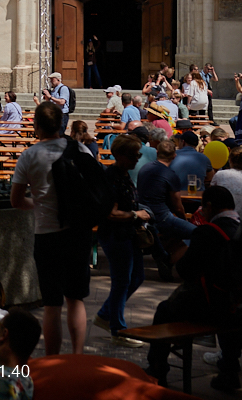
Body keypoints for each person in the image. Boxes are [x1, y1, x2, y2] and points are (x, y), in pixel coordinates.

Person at [145, 186, 242, 391]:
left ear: (210, 207)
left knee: (164, 310)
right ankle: (229, 370)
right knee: (232, 304)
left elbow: (186, 271)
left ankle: (158, 370)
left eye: (203, 207)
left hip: (215, 308)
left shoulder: (206, 233)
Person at [10, 101, 88, 355]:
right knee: (75, 299)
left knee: (52, 304)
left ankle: (53, 360)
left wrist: (39, 204)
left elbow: (16, 200)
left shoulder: (30, 155)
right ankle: (77, 356)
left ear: (37, 126)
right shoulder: (81, 150)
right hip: (77, 232)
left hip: (47, 235)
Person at [92, 134, 150, 347]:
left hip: (128, 234)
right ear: (121, 155)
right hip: (115, 235)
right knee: (121, 282)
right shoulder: (112, 177)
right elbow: (111, 213)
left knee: (137, 277)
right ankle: (118, 329)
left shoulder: (124, 174)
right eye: (134, 155)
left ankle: (106, 314)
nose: (137, 158)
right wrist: (136, 215)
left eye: (138, 154)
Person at [136, 139, 196, 261]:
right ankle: (168, 261)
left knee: (178, 232)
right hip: (162, 217)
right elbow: (178, 206)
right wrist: (184, 220)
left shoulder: (144, 168)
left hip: (145, 214)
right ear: (174, 156)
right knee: (197, 233)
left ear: (157, 153)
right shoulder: (170, 175)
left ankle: (163, 253)